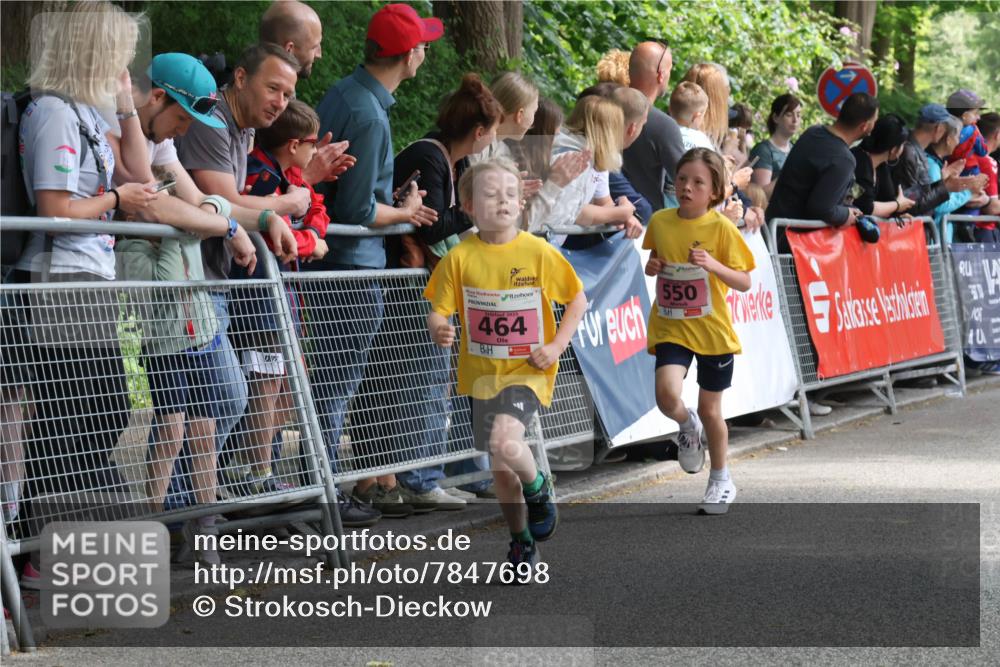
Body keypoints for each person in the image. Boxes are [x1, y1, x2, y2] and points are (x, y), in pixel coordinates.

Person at [13, 0, 156, 589]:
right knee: (79, 411)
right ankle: (35, 546)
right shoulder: (52, 112)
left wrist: (126, 107)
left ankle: (41, 543)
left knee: (92, 410)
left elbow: (140, 174)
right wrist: (117, 202)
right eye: (120, 53)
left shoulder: (87, 113)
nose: (128, 64)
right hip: (59, 278)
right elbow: (54, 209)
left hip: (88, 277)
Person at [304, 3, 441, 521]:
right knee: (336, 388)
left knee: (327, 384)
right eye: (422, 45)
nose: (424, 53)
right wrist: (405, 211)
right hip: (353, 271)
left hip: (333, 267)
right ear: (408, 55)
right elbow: (357, 210)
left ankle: (320, 489)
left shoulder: (345, 93)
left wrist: (392, 200)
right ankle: (326, 495)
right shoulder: (367, 113)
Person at [352, 73, 503, 515]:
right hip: (410, 286)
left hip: (430, 285)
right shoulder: (430, 156)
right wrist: (475, 211)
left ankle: (409, 476)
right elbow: (434, 225)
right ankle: (414, 478)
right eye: (492, 132)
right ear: (480, 131)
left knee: (426, 381)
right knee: (417, 382)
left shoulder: (454, 162)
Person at [424, 158, 587, 568]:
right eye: (491, 194)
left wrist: (556, 346)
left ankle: (539, 488)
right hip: (482, 377)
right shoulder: (459, 257)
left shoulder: (537, 251)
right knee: (500, 469)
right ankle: (521, 542)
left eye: (510, 194)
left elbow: (577, 300)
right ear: (468, 206)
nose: (502, 201)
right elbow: (438, 309)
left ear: (520, 204)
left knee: (503, 442)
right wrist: (440, 327)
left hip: (528, 370)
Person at [173, 43, 307, 503]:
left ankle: (189, 507)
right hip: (188, 280)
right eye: (273, 88)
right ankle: (181, 507)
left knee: (198, 406)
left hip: (215, 278)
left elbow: (227, 204)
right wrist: (279, 208)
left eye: (288, 95)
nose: (280, 102)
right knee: (217, 397)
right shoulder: (211, 121)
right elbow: (220, 200)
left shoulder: (244, 129)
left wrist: (263, 215)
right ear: (242, 78)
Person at [642, 148, 755, 514]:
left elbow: (744, 282)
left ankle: (721, 480)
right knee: (666, 395)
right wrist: (653, 266)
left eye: (698, 182)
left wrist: (713, 265)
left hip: (712, 331)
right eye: (682, 179)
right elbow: (654, 261)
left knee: (711, 410)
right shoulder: (660, 221)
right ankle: (685, 423)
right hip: (671, 325)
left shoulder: (721, 228)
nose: (687, 187)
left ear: (715, 191)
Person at [472, 72, 589, 234]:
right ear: (520, 115)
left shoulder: (500, 150)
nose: (533, 124)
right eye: (534, 112)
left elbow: (519, 225)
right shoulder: (477, 148)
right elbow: (516, 228)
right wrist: (555, 183)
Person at [767, 92, 880, 233]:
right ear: (864, 126)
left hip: (773, 229)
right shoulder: (844, 159)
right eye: (874, 121)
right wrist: (847, 214)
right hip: (792, 239)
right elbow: (822, 209)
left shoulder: (813, 132)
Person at [547, 95, 643, 239]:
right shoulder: (575, 160)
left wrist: (623, 212)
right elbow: (573, 212)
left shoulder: (592, 156)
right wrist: (619, 213)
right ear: (609, 132)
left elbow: (603, 203)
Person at [623, 40, 685, 209]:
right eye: (669, 71)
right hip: (645, 219)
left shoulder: (603, 107)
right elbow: (688, 182)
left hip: (597, 213)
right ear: (661, 75)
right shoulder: (663, 126)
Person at [891, 103, 975, 218]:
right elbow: (912, 203)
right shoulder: (909, 152)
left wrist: (943, 181)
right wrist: (946, 187)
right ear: (939, 128)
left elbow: (919, 194)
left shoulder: (913, 150)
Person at [850, 114, 916, 218]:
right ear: (894, 149)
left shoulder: (881, 165)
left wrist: (895, 214)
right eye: (903, 145)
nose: (903, 149)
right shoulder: (858, 163)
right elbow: (865, 207)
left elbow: (887, 198)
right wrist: (897, 205)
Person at [750, 93, 802, 196]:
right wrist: (790, 170)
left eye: (798, 115)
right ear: (775, 118)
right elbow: (761, 195)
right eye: (789, 115)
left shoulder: (795, 149)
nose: (795, 120)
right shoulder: (763, 150)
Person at [671, 82, 714, 151]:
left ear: (670, 108)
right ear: (696, 117)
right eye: (703, 115)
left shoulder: (663, 131)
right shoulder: (701, 141)